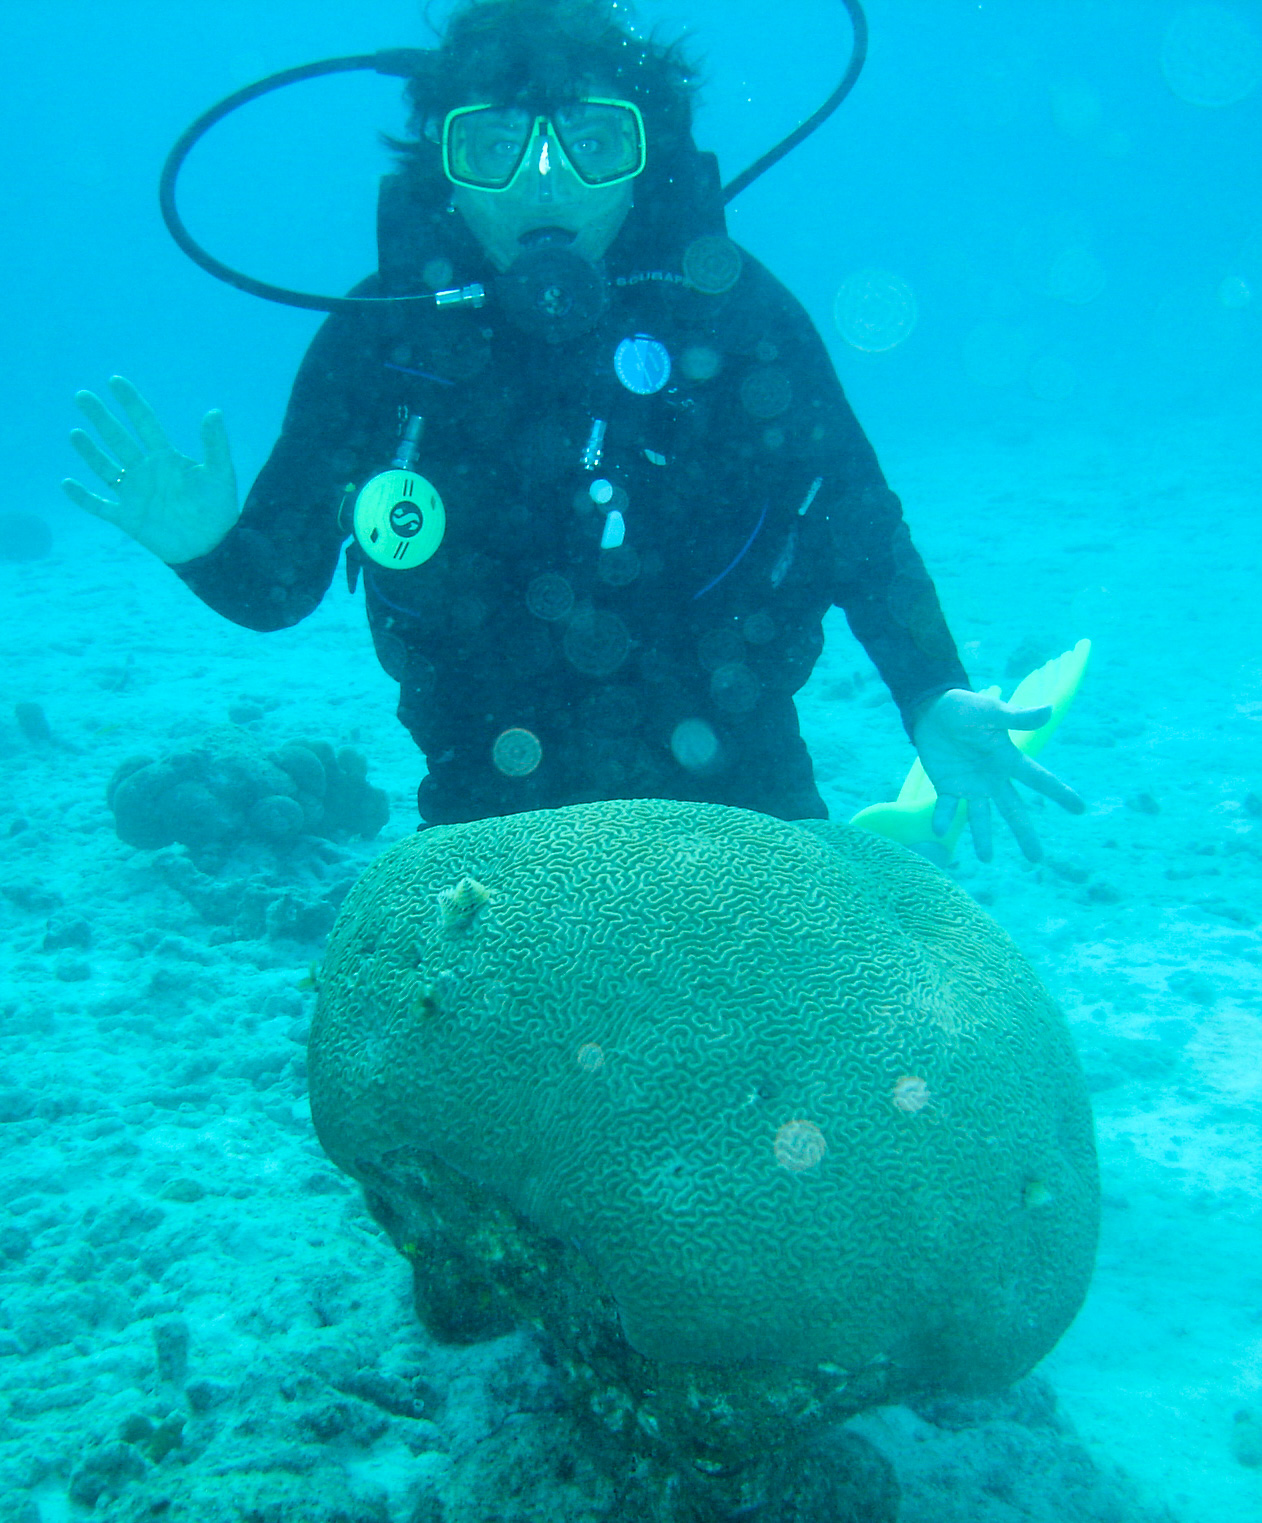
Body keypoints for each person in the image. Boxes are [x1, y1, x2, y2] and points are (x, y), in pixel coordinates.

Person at [64, 0, 1083, 860]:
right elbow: (273, 588)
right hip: (482, 808)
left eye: (592, 143)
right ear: (443, 166)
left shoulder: (736, 318)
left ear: (649, 157)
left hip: (743, 784)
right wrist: (202, 545)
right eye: (497, 147)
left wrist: (931, 690)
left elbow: (854, 519)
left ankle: (877, 840)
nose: (544, 185)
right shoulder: (380, 343)